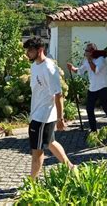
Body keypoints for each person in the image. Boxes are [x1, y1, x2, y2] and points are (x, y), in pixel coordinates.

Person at [23, 37, 74, 178]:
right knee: (51, 142)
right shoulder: (34, 65)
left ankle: (31, 183)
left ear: (40, 50)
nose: (28, 53)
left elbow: (58, 95)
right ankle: (71, 168)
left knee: (37, 150)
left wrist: (60, 118)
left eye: (30, 50)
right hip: (37, 113)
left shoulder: (49, 68)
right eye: (27, 50)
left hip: (43, 116)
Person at [67, 43, 107, 132]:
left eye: (86, 51)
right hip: (92, 88)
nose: (85, 53)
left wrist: (89, 60)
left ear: (92, 51)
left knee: (106, 108)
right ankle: (93, 130)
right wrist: (72, 68)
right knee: (89, 109)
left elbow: (96, 71)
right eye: (85, 50)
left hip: (103, 87)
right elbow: (80, 71)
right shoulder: (87, 61)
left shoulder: (101, 59)